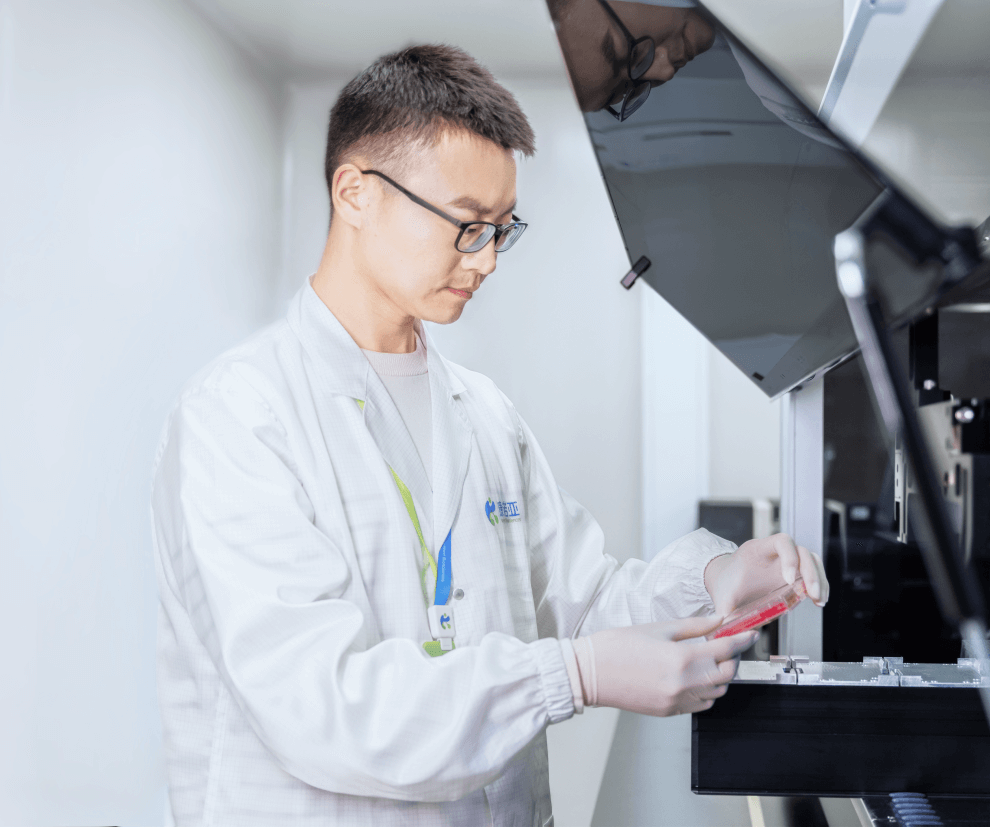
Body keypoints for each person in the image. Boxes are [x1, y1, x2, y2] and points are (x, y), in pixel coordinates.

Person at [151, 44, 828, 826]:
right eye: (467, 225)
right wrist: (572, 676)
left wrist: (714, 580)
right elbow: (321, 705)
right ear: (355, 193)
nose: (488, 261)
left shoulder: (482, 411)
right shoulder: (241, 415)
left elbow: (580, 601)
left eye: (503, 230)